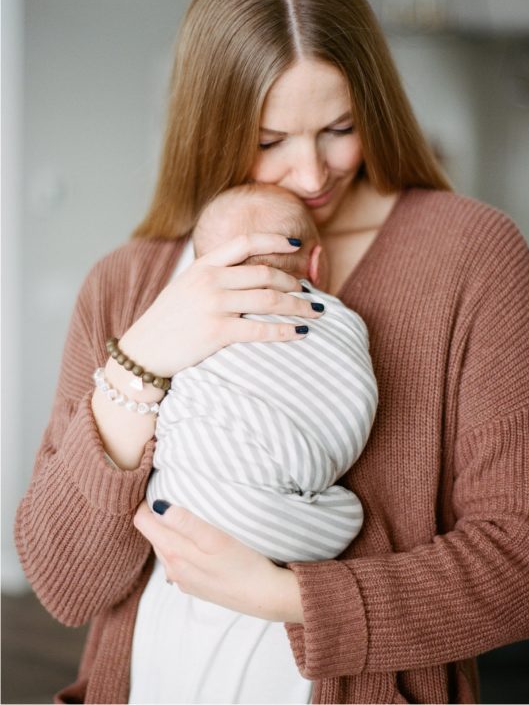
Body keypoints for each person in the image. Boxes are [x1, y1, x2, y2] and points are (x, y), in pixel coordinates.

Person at [15, 0, 529, 703]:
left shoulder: (470, 255)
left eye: (340, 127)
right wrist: (143, 360)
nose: (313, 173)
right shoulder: (127, 282)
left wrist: (287, 595)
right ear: (209, 126)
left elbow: (518, 561)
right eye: (269, 141)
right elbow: (66, 584)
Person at [146, 182, 376, 565]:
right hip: (279, 523)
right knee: (350, 516)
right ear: (317, 263)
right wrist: (316, 468)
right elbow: (352, 406)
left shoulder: (193, 320)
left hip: (181, 499)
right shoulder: (340, 324)